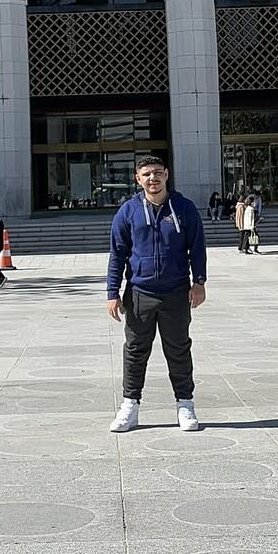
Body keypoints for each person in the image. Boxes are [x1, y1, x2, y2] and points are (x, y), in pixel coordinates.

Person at [106, 153, 207, 434]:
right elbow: (118, 254)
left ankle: (185, 405)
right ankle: (130, 406)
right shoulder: (128, 211)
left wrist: (199, 282)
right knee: (136, 351)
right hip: (140, 292)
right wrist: (112, 292)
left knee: (178, 349)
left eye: (158, 172)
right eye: (147, 174)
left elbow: (197, 247)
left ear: (167, 175)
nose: (153, 178)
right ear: (138, 179)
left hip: (176, 292)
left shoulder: (184, 208)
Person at [234, 190, 252, 255]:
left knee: (243, 236)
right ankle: (242, 248)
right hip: (243, 224)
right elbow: (241, 216)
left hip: (242, 224)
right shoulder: (241, 206)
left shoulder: (240, 206)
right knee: (243, 236)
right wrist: (242, 225)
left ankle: (244, 247)